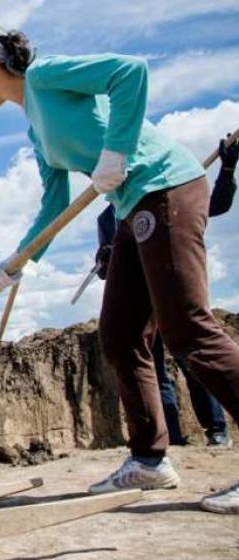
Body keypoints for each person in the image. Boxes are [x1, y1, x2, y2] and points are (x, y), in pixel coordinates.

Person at [0, 22, 239, 514]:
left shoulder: (45, 76)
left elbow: (129, 72)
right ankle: (150, 460)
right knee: (120, 334)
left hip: (166, 187)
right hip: (133, 205)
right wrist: (18, 259)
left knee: (187, 327)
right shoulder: (35, 129)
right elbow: (54, 205)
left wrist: (117, 150)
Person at [95, 135, 239, 448]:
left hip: (169, 291)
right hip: (142, 306)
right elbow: (107, 270)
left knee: (193, 356)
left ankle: (217, 430)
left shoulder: (159, 192)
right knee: (152, 370)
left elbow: (215, 205)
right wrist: (105, 257)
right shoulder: (109, 218)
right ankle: (170, 438)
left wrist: (227, 171)